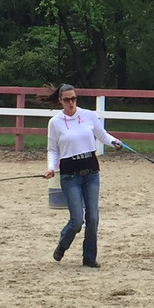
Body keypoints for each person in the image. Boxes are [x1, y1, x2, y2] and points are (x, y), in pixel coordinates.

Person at [42, 83, 122, 268]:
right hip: (70, 175)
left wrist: (114, 141)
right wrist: (51, 168)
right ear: (60, 100)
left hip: (91, 171)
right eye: (67, 100)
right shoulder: (55, 122)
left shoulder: (89, 116)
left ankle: (89, 257)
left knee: (93, 217)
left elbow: (102, 135)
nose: (71, 103)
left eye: (74, 99)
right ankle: (63, 243)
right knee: (77, 220)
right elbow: (53, 150)